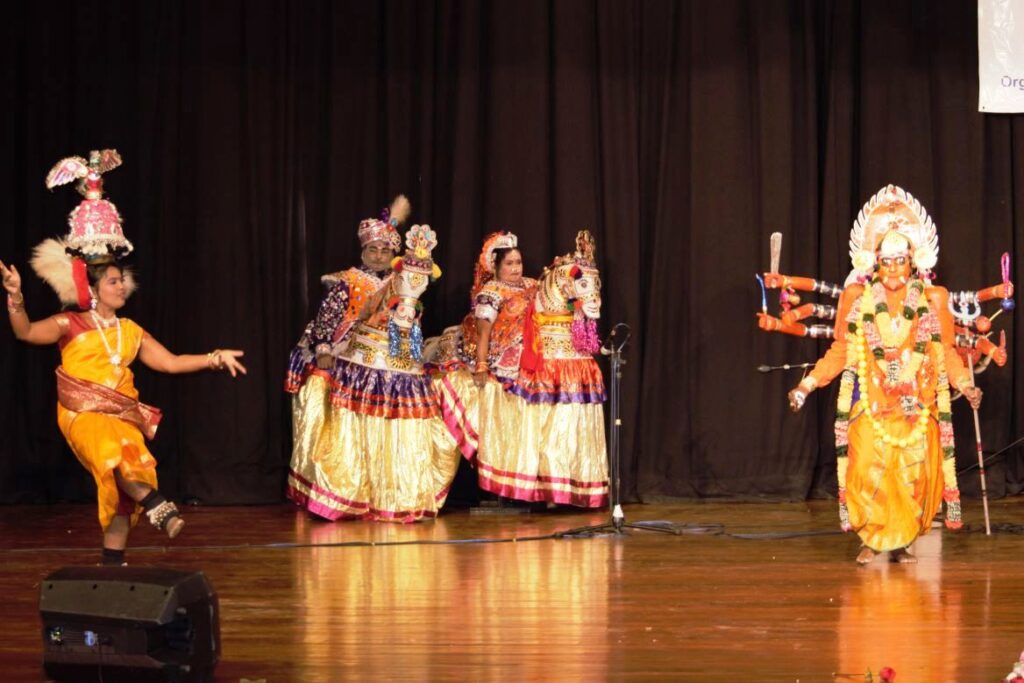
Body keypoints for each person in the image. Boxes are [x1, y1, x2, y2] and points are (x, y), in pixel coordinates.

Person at [1, 150, 245, 566]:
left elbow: (168, 362)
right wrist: (16, 298)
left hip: (121, 413)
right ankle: (158, 503)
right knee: (111, 454)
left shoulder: (129, 330)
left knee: (122, 493)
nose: (122, 286)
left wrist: (213, 357)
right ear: (94, 289)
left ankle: (112, 571)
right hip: (83, 412)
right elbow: (24, 332)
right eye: (114, 281)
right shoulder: (69, 324)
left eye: (122, 280)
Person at [785, 185, 982, 564]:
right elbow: (842, 350)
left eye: (900, 261)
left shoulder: (932, 300)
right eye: (886, 262)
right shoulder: (859, 301)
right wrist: (806, 385)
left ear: (912, 263)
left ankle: (902, 541)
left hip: (916, 404)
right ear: (875, 264)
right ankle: (872, 539)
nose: (893, 270)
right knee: (865, 471)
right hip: (872, 403)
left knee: (913, 477)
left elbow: (945, 353)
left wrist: (966, 384)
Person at [432, 230, 608, 507]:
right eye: (509, 264)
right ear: (496, 266)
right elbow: (484, 332)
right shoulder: (490, 293)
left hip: (535, 357)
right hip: (502, 359)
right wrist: (480, 365)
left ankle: (549, 484)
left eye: (519, 263)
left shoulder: (531, 284)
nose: (516, 269)